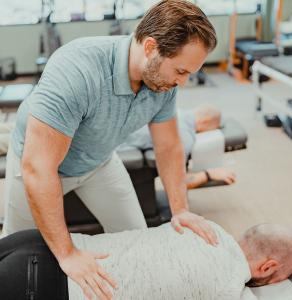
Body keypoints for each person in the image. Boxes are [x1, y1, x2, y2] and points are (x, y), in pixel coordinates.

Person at [2, 0, 218, 298]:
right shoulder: (78, 69)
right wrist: (67, 254)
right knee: (17, 254)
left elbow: (168, 146)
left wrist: (180, 210)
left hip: (98, 162)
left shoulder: (164, 84)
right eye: (181, 71)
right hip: (36, 164)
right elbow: (38, 169)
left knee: (139, 240)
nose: (182, 82)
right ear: (151, 47)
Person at [0, 223, 292, 300]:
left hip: (40, 242)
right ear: (268, 266)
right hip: (43, 286)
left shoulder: (204, 225)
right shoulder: (230, 289)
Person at [118, 105, 236, 188]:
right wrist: (209, 174)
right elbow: (178, 184)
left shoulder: (172, 110)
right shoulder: (183, 136)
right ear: (205, 122)